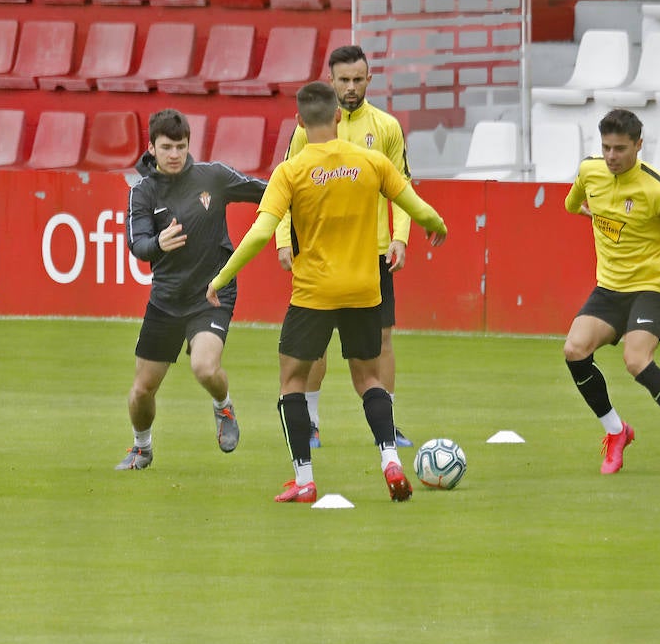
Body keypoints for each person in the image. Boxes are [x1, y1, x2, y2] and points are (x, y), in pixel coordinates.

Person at [207, 82, 448, 504]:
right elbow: (418, 207)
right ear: (338, 116)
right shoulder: (371, 161)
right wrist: (438, 226)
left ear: (300, 121)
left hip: (313, 294)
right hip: (363, 290)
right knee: (369, 379)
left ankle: (304, 479)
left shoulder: (291, 171)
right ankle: (390, 459)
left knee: (292, 381)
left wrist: (221, 277)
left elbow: (262, 232)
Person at [562, 109, 660, 476]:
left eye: (620, 148)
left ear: (638, 145)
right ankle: (616, 432)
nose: (612, 156)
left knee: (636, 359)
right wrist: (592, 213)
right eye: (606, 148)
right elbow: (572, 203)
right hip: (609, 288)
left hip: (650, 289)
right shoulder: (590, 172)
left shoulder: (658, 190)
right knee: (574, 350)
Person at [275, 44, 415, 449]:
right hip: (319, 253)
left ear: (369, 80)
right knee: (313, 346)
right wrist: (285, 241)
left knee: (383, 340)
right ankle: (312, 423)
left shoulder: (386, 127)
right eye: (344, 80)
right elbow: (285, 187)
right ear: (331, 80)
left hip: (372, 253)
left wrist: (401, 238)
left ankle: (385, 426)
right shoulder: (306, 132)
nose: (351, 87)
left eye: (358, 80)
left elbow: (402, 190)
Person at [117, 110, 268, 470]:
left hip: (212, 293)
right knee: (141, 390)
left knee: (204, 367)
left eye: (180, 146)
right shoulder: (143, 193)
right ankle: (142, 448)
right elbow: (138, 246)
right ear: (151, 147)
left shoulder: (212, 177)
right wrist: (158, 243)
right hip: (167, 299)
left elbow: (265, 190)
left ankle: (223, 406)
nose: (174, 154)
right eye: (166, 147)